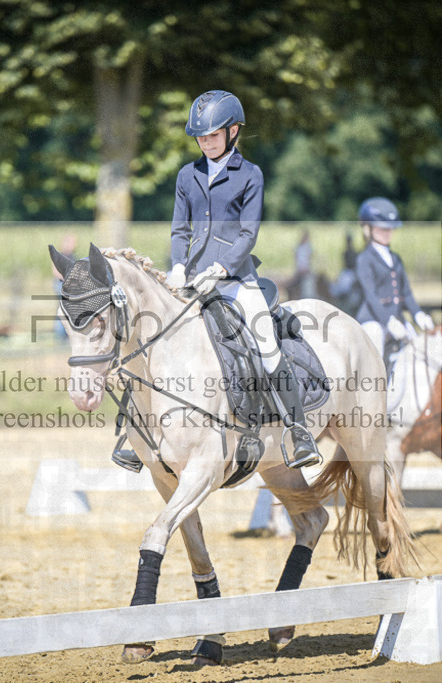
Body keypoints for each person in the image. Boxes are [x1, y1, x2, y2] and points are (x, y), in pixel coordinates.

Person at [164, 89, 319, 469]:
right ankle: (131, 432)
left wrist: (222, 268)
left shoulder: (250, 175)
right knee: (158, 338)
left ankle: (299, 432)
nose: (205, 142)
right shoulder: (188, 174)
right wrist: (179, 266)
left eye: (213, 135)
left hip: (235, 279)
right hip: (192, 278)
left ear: (233, 132)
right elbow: (179, 229)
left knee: (265, 342)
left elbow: (248, 234)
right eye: (200, 136)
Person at [353, 197, 434, 359]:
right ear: (368, 229)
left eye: (390, 229)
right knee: (374, 343)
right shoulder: (364, 259)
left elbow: (407, 293)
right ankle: (373, 383)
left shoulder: (396, 259)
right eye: (381, 229)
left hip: (398, 319)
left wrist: (418, 315)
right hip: (373, 319)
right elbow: (371, 295)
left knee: (418, 349)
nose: (387, 232)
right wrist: (388, 321)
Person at [51, 233, 78, 341]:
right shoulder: (60, 255)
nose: (74, 245)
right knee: (62, 310)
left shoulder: (73, 256)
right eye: (72, 242)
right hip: (62, 284)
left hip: (70, 285)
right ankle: (60, 336)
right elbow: (56, 272)